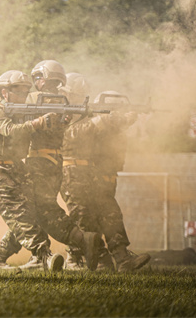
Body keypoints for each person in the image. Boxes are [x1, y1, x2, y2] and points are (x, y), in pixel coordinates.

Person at [0, 61, 105, 272]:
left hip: (38, 162)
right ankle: (62, 248)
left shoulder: (33, 99)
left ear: (45, 77)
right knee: (37, 211)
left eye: (37, 78)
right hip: (56, 162)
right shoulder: (67, 100)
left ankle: (21, 256)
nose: (34, 84)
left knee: (28, 212)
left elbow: (15, 126)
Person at [60, 75, 151, 272]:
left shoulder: (85, 113)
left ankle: (121, 258)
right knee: (83, 217)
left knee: (109, 214)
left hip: (88, 173)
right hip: (70, 172)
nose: (65, 96)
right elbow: (71, 134)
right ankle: (90, 260)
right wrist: (108, 119)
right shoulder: (62, 111)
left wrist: (119, 121)